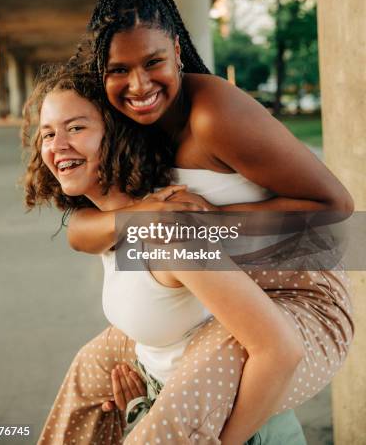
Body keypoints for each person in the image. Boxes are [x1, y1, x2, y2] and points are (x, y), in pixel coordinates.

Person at [23, 56, 353, 444]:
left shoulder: (173, 225)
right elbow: (78, 235)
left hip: (249, 428)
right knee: (85, 377)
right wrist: (148, 392)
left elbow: (279, 349)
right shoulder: (108, 217)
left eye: (76, 128)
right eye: (47, 134)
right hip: (190, 391)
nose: (57, 146)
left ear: (114, 133)